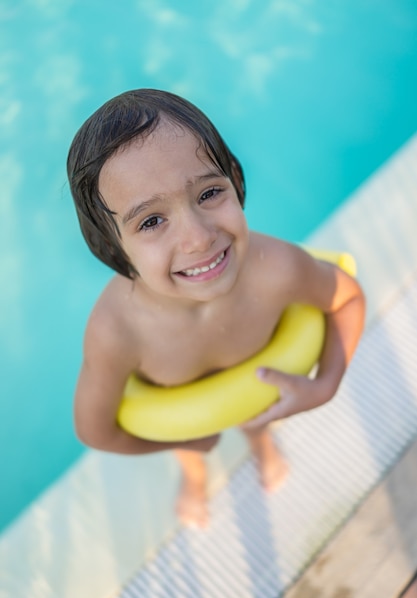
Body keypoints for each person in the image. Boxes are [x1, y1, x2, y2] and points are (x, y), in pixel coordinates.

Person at [67, 89, 365, 528]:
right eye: (151, 221)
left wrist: (326, 384)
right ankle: (193, 476)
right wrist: (180, 438)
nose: (198, 237)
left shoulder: (278, 269)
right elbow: (95, 429)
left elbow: (347, 297)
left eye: (209, 193)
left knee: (258, 416)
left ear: (236, 181)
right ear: (113, 247)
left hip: (255, 391)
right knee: (190, 442)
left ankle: (262, 446)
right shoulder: (117, 331)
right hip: (180, 412)